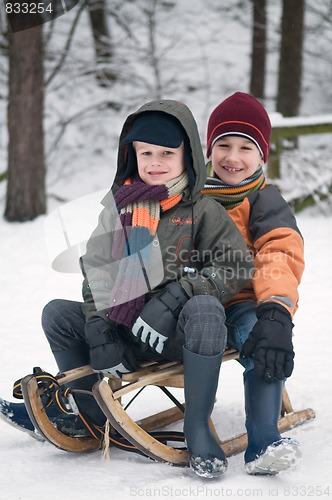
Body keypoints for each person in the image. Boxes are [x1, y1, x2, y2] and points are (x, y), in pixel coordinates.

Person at [0, 99, 253, 479]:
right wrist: (101, 327)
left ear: (189, 156)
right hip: (126, 334)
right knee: (57, 313)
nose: (155, 161)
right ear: (131, 155)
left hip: (179, 336)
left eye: (167, 153)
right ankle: (90, 416)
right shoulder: (116, 209)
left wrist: (178, 294)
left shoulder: (202, 210)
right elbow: (96, 272)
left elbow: (235, 265)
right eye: (145, 152)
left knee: (205, 309)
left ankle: (198, 428)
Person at [202, 91, 305, 475]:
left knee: (259, 335)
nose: (233, 157)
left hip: (246, 302)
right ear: (208, 150)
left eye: (246, 147)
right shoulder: (193, 200)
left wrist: (276, 309)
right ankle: (79, 407)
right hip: (196, 306)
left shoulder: (265, 201)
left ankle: (263, 440)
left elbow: (279, 253)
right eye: (223, 144)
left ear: (262, 156)